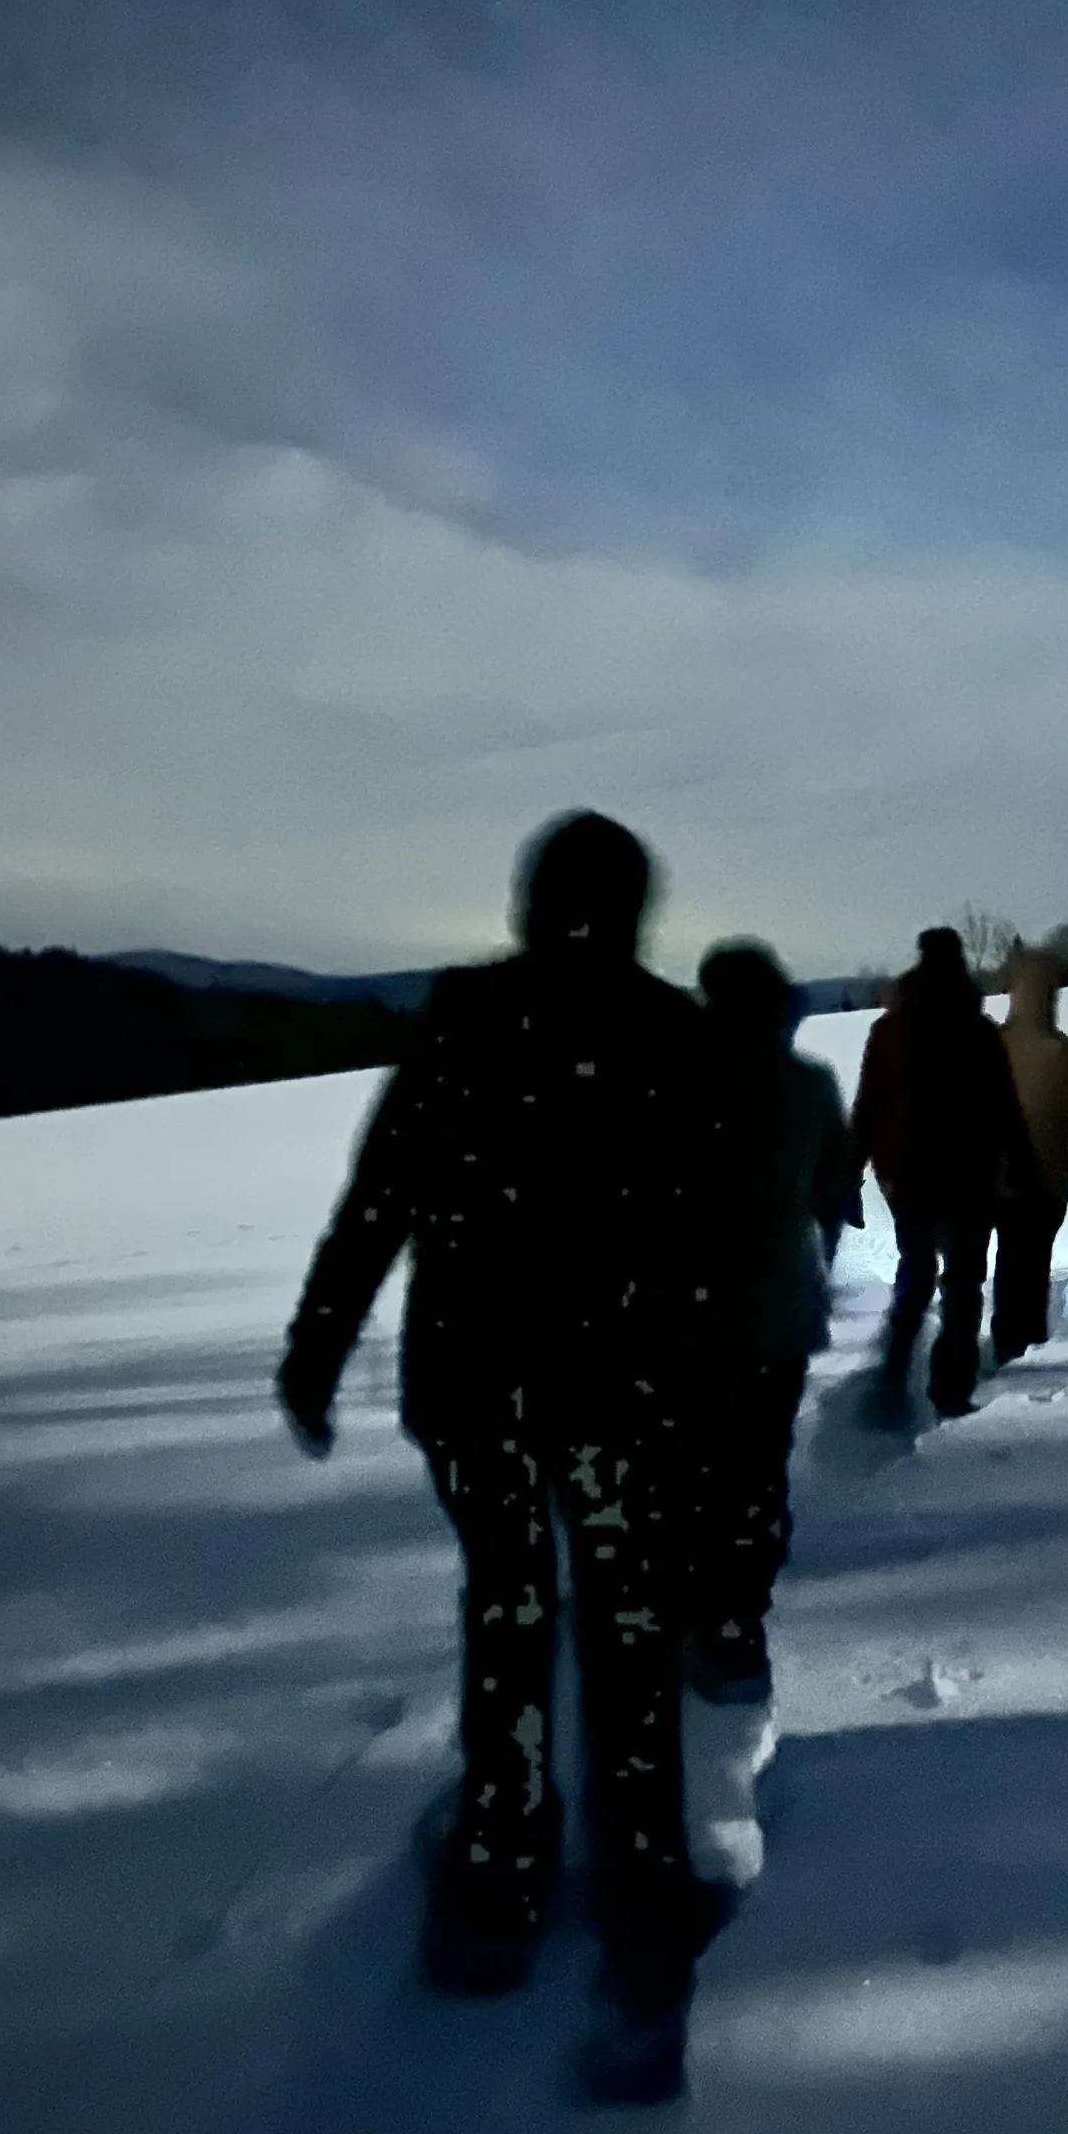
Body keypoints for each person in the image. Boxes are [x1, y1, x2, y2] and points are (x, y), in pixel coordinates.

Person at [276, 811, 717, 2064]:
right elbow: (708, 1246)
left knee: (509, 1609)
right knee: (626, 1622)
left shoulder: (466, 1022)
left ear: (532, 901)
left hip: (475, 1387)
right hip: (614, 1394)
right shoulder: (668, 1037)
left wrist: (319, 1347)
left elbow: (379, 1199)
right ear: (633, 907)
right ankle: (640, 1887)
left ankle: (501, 1867)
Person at [691, 940, 852, 1893]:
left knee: (698, 1464)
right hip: (778, 1310)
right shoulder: (806, 1084)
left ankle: (696, 1616)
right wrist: (810, 1257)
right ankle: (737, 1626)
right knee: (757, 1462)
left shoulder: (672, 1086)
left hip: (689, 1319)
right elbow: (835, 1195)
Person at [852, 926, 1030, 1421]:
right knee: (964, 1283)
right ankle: (951, 1391)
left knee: (915, 1272)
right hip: (970, 1174)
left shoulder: (889, 1031)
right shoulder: (979, 1031)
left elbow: (868, 1107)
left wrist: (851, 1174)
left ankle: (890, 1382)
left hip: (907, 1175)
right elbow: (1005, 1108)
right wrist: (1023, 1166)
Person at [993, 945, 1068, 1360]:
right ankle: (1029, 1340)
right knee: (1034, 1261)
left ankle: (1004, 1339)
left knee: (1008, 1256)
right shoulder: (1065, 1054)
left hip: (998, 1177)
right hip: (1049, 1176)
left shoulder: (993, 1046)